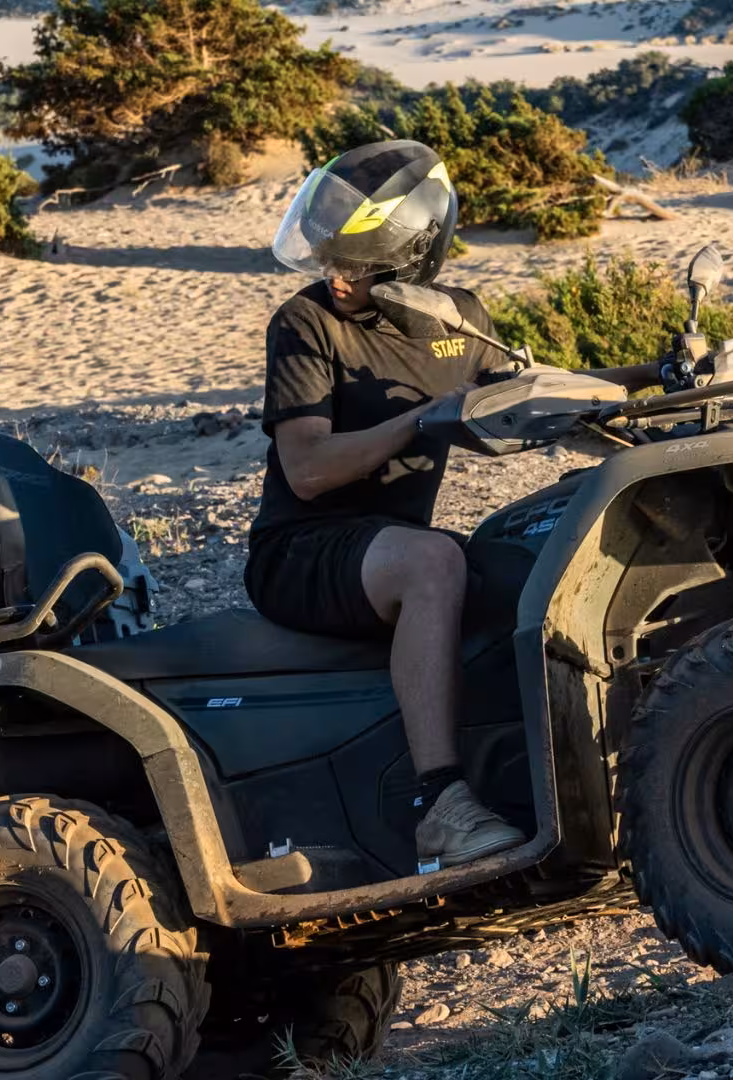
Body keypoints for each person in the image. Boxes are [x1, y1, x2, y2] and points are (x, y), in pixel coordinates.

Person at [245, 140, 524, 870]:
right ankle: (441, 804)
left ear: (413, 258)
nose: (336, 278)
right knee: (436, 559)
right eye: (331, 259)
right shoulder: (306, 324)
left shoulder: (458, 321)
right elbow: (305, 470)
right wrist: (423, 417)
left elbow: (534, 389)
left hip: (385, 548)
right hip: (304, 550)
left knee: (531, 557)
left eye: (358, 265)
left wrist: (664, 376)